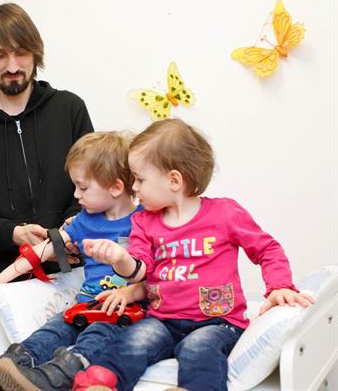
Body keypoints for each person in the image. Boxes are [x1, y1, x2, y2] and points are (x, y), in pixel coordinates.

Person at [72, 118, 315, 391]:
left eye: (139, 179)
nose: (135, 188)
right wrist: (119, 258)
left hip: (218, 322)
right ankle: (99, 383)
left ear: (174, 180)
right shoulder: (144, 223)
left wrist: (279, 285)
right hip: (162, 319)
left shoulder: (225, 214)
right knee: (133, 342)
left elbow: (267, 249)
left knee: (198, 349)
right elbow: (140, 267)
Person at [0, 2, 94, 348]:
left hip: (70, 283)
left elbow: (93, 187)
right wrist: (13, 234)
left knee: (69, 376)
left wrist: (65, 233)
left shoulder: (70, 110)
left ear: (35, 52)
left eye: (21, 53)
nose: (12, 67)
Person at [0, 131, 144, 391]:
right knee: (52, 330)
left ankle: (48, 379)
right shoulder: (84, 220)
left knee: (93, 338)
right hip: (84, 304)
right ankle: (3, 370)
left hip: (123, 312)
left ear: (115, 187)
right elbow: (42, 251)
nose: (76, 195)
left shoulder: (146, 221)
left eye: (83, 187)